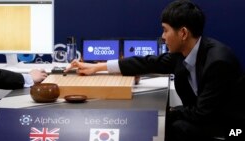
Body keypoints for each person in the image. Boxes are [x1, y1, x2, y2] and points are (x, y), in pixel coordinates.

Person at [65, 0, 245, 140]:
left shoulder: (218, 63)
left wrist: (172, 111)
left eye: (165, 31)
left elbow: (202, 114)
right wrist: (98, 67)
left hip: (232, 128)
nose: (163, 37)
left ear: (183, 33)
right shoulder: (183, 53)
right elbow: (147, 62)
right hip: (208, 117)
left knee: (177, 126)